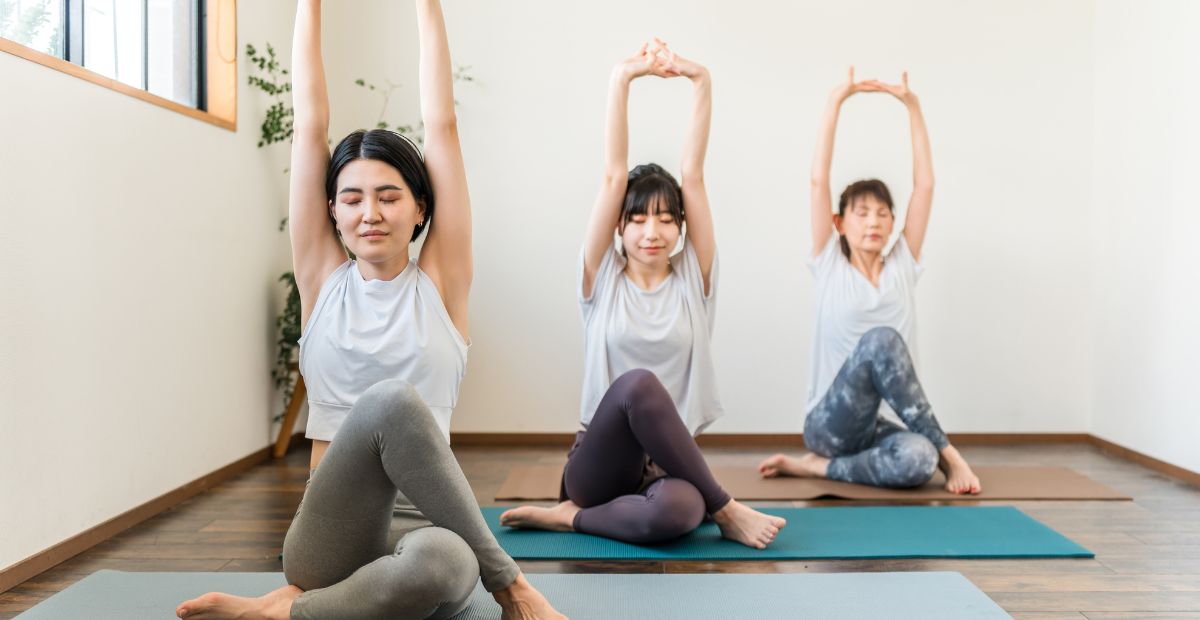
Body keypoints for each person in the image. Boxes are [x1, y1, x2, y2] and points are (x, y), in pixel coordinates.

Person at [176, 2, 565, 618]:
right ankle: (512, 587)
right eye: (352, 198)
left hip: (428, 524)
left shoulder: (442, 282)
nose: (370, 213)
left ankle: (290, 611)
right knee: (389, 401)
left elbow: (442, 126)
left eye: (389, 196)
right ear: (332, 210)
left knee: (440, 566)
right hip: (332, 530)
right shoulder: (321, 279)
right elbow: (310, 126)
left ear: (420, 208)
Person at [501, 41, 786, 548]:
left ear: (680, 227)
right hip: (599, 465)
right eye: (636, 219)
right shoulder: (601, 279)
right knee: (638, 384)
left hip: (671, 465)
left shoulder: (694, 282)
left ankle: (570, 519)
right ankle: (725, 507)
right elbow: (614, 174)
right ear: (619, 227)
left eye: (665, 218)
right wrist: (622, 78)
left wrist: (701, 80)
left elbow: (693, 176)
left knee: (678, 515)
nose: (651, 232)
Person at [758, 68, 981, 495]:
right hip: (829, 423)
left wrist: (912, 106)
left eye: (882, 214)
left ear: (894, 222)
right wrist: (835, 101)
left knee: (919, 460)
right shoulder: (829, 264)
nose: (873, 222)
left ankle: (819, 470)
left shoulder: (902, 266)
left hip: (879, 425)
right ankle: (951, 453)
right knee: (881, 340)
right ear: (839, 223)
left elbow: (925, 185)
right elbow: (818, 181)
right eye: (861, 213)